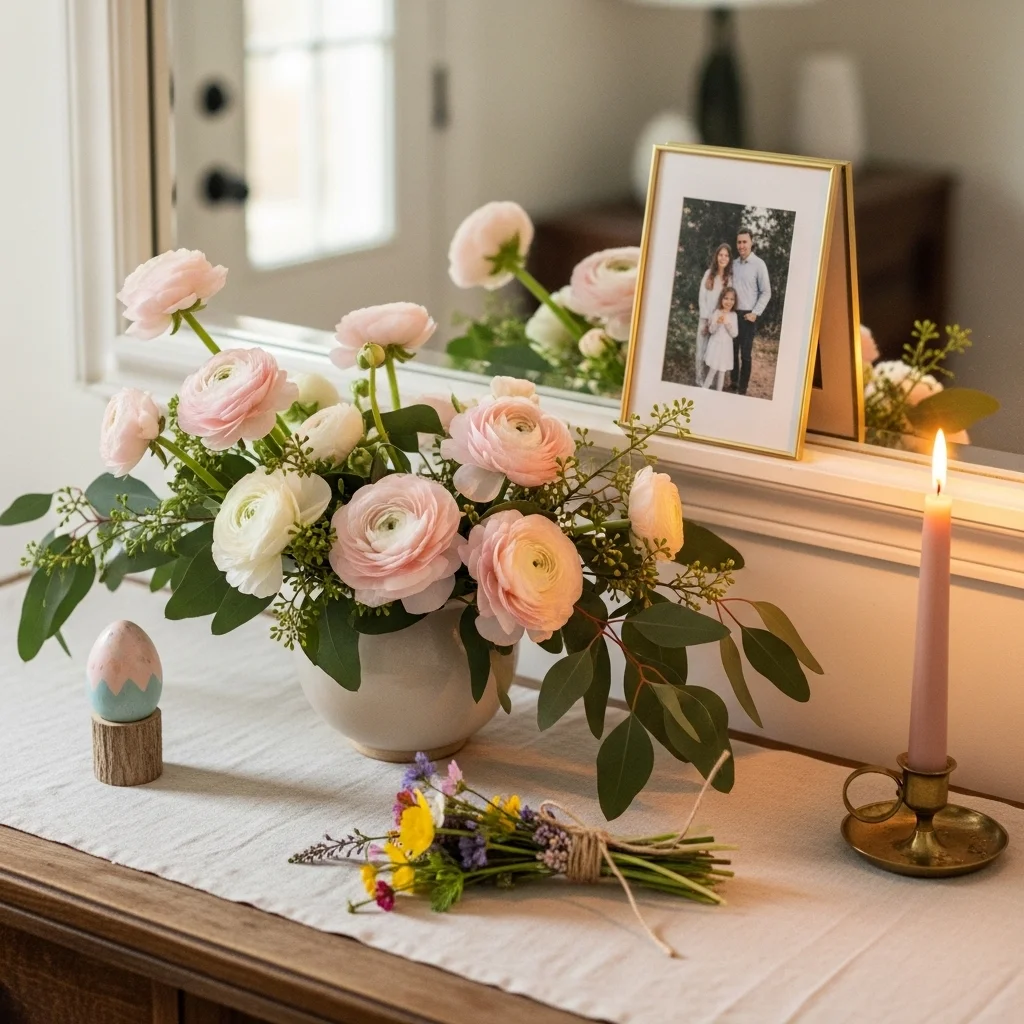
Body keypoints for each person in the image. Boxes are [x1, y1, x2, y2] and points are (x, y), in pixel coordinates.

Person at [730, 228, 772, 395]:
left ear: (751, 243)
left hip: (749, 315)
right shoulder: (733, 264)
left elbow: (766, 292)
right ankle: (733, 382)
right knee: (732, 351)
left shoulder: (759, 264)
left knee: (745, 354)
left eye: (744, 242)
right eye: (739, 242)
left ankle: (742, 388)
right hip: (733, 314)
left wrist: (755, 313)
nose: (741, 245)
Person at [696, 243, 733, 379]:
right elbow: (702, 298)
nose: (723, 258)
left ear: (729, 259)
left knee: (713, 351)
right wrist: (707, 318)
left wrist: (717, 318)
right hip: (705, 319)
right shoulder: (708, 274)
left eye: (726, 256)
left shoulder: (728, 280)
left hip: (718, 321)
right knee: (701, 350)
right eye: (721, 255)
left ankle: (709, 381)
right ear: (716, 256)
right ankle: (699, 379)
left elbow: (727, 301)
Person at [702, 287, 739, 390]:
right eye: (726, 298)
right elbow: (711, 330)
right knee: (712, 370)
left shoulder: (733, 315)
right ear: (721, 299)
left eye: (732, 299)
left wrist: (728, 325)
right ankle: (704, 390)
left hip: (726, 348)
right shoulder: (717, 312)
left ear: (735, 301)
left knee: (722, 372)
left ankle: (719, 393)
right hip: (716, 346)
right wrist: (717, 323)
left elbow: (735, 334)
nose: (728, 302)